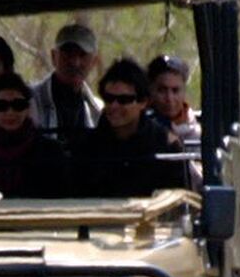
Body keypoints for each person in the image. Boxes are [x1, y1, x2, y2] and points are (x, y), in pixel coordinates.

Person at [71, 57, 190, 197]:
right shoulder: (86, 148)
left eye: (124, 100)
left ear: (143, 102)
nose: (114, 106)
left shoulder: (167, 147)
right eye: (109, 98)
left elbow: (178, 205)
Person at [0, 72, 70, 198]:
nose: (10, 112)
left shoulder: (50, 152)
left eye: (18, 105)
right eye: (1, 106)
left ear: (28, 108)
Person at [29, 22, 102, 144]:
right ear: (53, 56)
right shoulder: (29, 101)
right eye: (68, 54)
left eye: (82, 55)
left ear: (94, 62)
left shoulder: (97, 109)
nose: (74, 62)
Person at [146, 53, 201, 184]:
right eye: (162, 90)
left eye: (175, 90)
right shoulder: (139, 127)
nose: (169, 98)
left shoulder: (197, 132)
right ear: (150, 90)